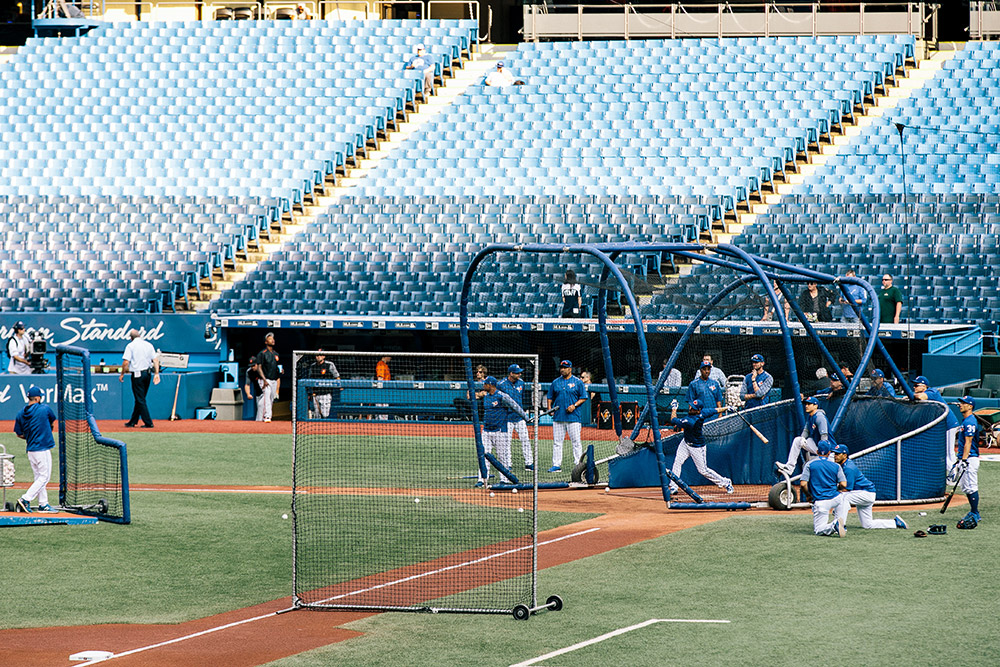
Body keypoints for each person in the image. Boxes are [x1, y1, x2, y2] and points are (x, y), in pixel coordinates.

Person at [666, 399, 734, 496]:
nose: (690, 408)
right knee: (677, 462)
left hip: (697, 447)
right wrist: (727, 408)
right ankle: (673, 486)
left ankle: (725, 482)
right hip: (685, 443)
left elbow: (673, 420)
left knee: (703, 470)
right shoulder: (703, 412)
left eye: (693, 408)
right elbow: (715, 410)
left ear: (698, 411)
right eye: (690, 406)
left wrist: (674, 408)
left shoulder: (691, 421)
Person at [832, 443, 907, 530]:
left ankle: (841, 525)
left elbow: (847, 489)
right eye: (834, 454)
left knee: (844, 497)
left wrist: (836, 504)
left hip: (866, 493)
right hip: (861, 493)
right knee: (867, 524)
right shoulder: (843, 465)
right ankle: (895, 523)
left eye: (837, 454)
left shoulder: (848, 467)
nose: (835, 456)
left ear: (844, 455)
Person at [13, 386, 57, 513]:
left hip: (31, 450)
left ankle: (43, 504)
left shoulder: (20, 413)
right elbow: (52, 421)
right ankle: (25, 499)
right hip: (42, 449)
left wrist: (31, 436)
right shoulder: (44, 408)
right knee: (44, 478)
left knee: (39, 477)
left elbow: (19, 434)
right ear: (37, 398)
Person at [912, 375, 960, 474]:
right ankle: (955, 475)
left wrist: (911, 396)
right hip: (942, 426)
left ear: (924, 386)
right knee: (947, 454)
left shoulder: (932, 392)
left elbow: (921, 397)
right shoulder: (926, 393)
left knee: (948, 454)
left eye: (917, 385)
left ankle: (955, 475)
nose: (914, 387)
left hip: (948, 424)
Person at [799, 440, 848, 537]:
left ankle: (834, 526)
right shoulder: (836, 466)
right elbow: (844, 485)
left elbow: (803, 484)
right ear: (829, 453)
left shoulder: (810, 464)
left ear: (817, 451)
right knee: (843, 499)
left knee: (818, 530)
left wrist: (808, 495)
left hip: (821, 501)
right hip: (836, 498)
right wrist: (836, 488)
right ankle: (840, 524)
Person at [547, 359, 587, 472]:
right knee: (557, 442)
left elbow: (583, 397)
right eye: (561, 367)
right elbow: (550, 397)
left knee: (576, 442)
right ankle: (556, 465)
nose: (562, 370)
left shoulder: (578, 382)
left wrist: (574, 405)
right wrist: (549, 408)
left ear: (570, 369)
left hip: (573, 417)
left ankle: (578, 464)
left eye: (565, 368)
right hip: (558, 417)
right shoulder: (555, 382)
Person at [777, 396, 833, 475]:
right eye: (806, 404)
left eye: (809, 404)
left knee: (830, 472)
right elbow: (806, 431)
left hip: (829, 451)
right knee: (798, 440)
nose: (806, 406)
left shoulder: (819, 417)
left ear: (815, 406)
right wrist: (802, 438)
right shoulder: (810, 416)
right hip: (817, 446)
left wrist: (823, 452)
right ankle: (789, 467)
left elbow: (824, 436)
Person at [119, 329, 160, 428]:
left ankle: (148, 422)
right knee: (140, 398)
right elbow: (155, 360)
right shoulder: (148, 344)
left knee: (140, 399)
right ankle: (133, 421)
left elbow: (125, 362)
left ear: (131, 338)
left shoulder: (131, 346)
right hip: (148, 374)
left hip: (138, 374)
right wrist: (157, 373)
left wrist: (122, 374)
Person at [478, 376, 513, 485]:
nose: (483, 386)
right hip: (486, 431)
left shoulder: (502, 396)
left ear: (490, 385)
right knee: (484, 455)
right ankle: (482, 479)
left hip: (500, 431)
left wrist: (526, 417)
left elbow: (514, 406)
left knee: (502, 456)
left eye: (485, 384)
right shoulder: (486, 396)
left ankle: (504, 479)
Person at [499, 363, 533, 470]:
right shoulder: (501, 384)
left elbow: (520, 398)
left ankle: (529, 463)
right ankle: (508, 464)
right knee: (506, 442)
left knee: (525, 440)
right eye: (517, 373)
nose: (520, 374)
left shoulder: (521, 383)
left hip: (519, 417)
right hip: (506, 418)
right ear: (511, 373)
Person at [954, 396, 981, 524]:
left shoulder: (970, 422)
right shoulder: (966, 420)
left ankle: (975, 512)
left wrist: (964, 460)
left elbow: (968, 443)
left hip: (970, 458)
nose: (960, 405)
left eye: (963, 403)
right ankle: (974, 511)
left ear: (970, 406)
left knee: (971, 486)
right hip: (966, 458)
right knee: (966, 487)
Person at [254, 332, 280, 423]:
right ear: (266, 342)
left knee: (271, 398)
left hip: (273, 379)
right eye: (270, 338)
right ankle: (267, 416)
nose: (272, 340)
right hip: (265, 379)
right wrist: (264, 379)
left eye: (273, 338)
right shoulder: (262, 353)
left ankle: (263, 417)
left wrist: (280, 371)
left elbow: (277, 368)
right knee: (267, 397)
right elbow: (259, 367)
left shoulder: (276, 354)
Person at [308, 352, 340, 419]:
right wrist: (311, 392)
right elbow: (310, 379)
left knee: (325, 414)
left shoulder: (329, 365)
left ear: (324, 356)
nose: (318, 357)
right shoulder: (312, 366)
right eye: (317, 355)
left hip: (326, 393)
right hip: (316, 394)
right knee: (317, 415)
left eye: (320, 355)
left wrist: (339, 386)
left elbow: (337, 377)